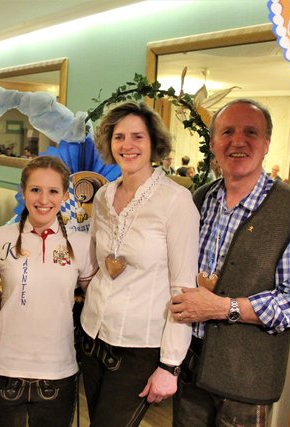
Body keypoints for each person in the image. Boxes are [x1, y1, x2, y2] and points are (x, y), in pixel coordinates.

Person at [170, 99, 290, 426]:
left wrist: (223, 307)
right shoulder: (199, 200)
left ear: (265, 144)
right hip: (190, 367)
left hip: (247, 378)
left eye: (250, 132)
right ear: (214, 143)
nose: (238, 141)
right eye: (227, 132)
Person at [80, 101, 200, 425]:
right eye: (119, 137)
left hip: (140, 349)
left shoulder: (176, 202)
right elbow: (95, 263)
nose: (127, 145)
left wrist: (170, 364)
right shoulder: (104, 196)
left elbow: (184, 288)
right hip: (93, 337)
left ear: (153, 143)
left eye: (137, 137)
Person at [0, 156, 97, 427]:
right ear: (23, 192)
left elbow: (97, 301)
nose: (43, 199)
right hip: (3, 367)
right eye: (35, 190)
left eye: (53, 191)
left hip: (58, 371)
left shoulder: (81, 244)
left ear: (66, 195)